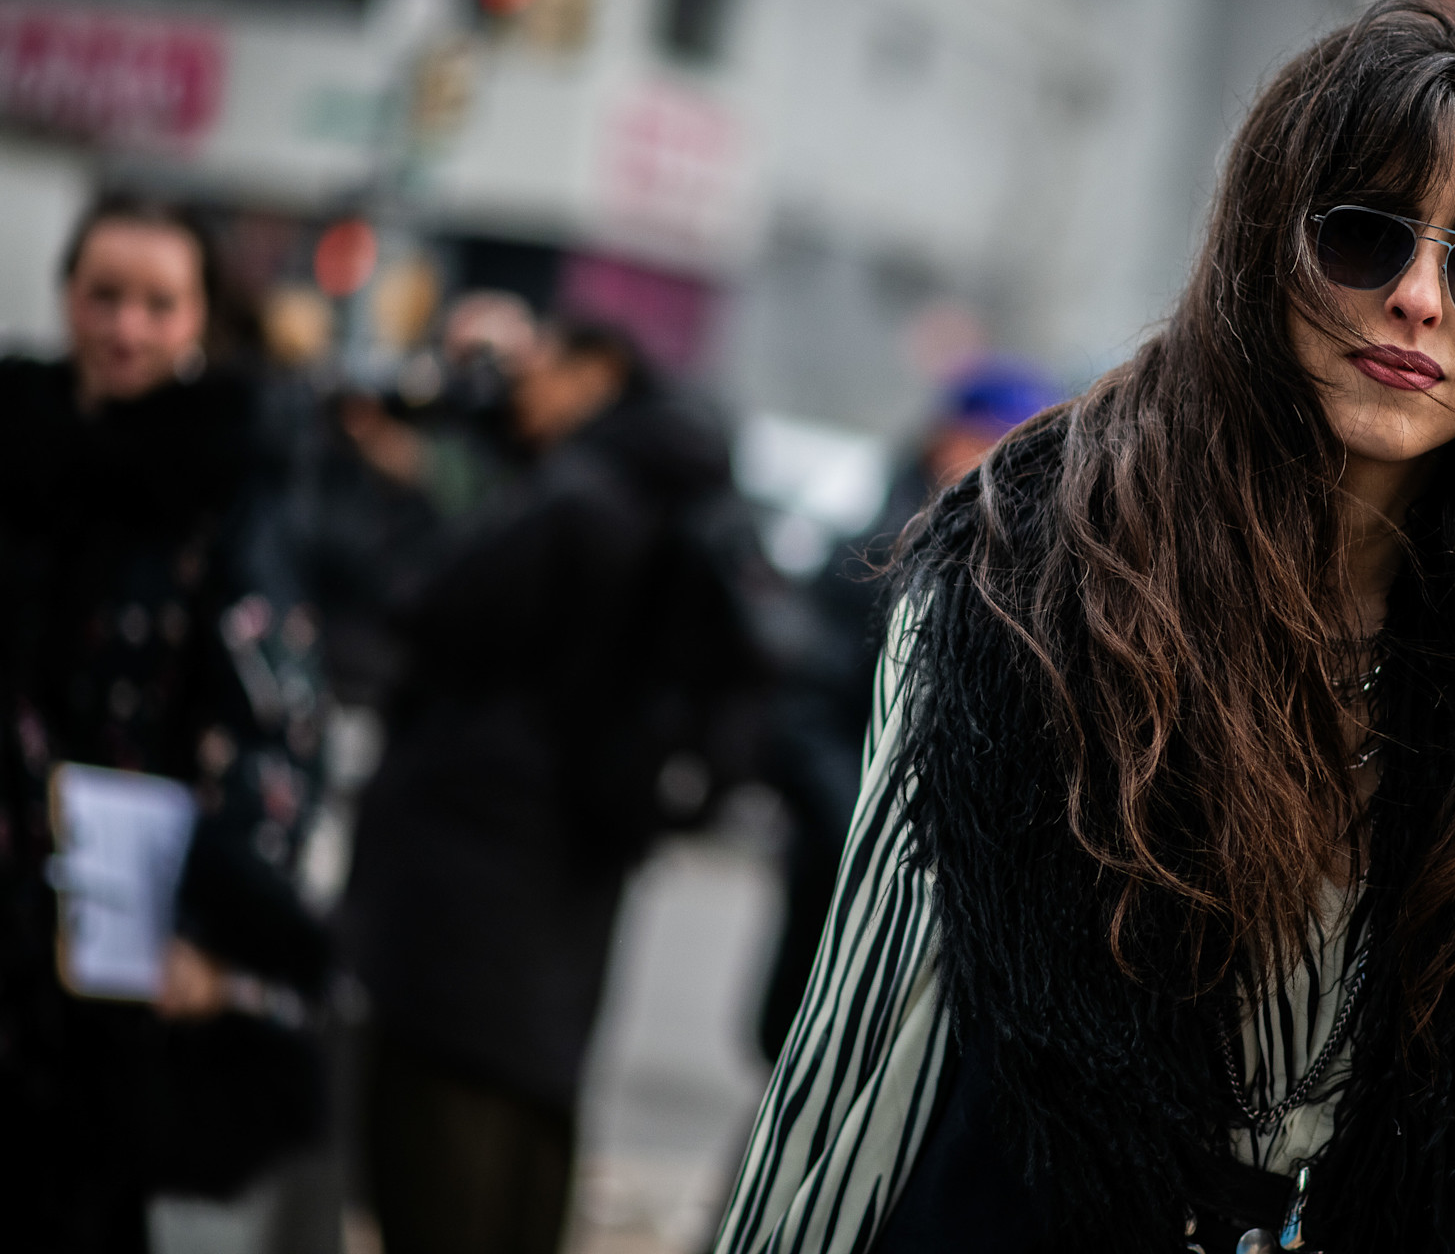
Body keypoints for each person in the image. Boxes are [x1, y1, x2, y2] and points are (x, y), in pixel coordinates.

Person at [713, 0, 1455, 1254]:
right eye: (1364, 237)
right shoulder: (1024, 582)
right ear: (1267, 251)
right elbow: (858, 1070)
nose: (1418, 299)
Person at [341, 320, 760, 1254]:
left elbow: (420, 603)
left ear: (594, 373)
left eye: (533, 372)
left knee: (435, 1164)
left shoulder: (577, 499)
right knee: (524, 1157)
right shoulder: (667, 493)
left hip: (468, 892)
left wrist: (427, 477)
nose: (514, 394)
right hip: (568, 889)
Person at [0, 194, 332, 1251]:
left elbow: (274, 717)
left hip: (117, 928)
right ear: (65, 298)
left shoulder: (228, 481)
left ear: (199, 320)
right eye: (104, 296)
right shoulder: (15, 442)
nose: (126, 328)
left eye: (158, 302)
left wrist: (210, 937)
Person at [755, 360, 1062, 1061]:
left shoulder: (1026, 572)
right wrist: (871, 833)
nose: (1008, 465)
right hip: (846, 859)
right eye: (993, 440)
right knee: (808, 1054)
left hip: (948, 892)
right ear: (945, 439)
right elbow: (801, 715)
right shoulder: (873, 556)